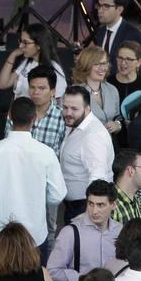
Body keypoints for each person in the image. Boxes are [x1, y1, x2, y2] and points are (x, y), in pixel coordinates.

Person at [49, 181, 123, 281]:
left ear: (114, 205)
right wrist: (83, 280)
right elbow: (52, 271)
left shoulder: (120, 231)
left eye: (101, 205)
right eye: (90, 204)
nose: (94, 211)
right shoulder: (70, 232)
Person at [58, 87, 116, 221]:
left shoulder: (92, 136)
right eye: (65, 107)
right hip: (75, 205)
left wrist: (88, 213)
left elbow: (98, 177)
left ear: (88, 109)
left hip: (84, 208)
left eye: (74, 109)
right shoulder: (76, 124)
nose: (68, 113)